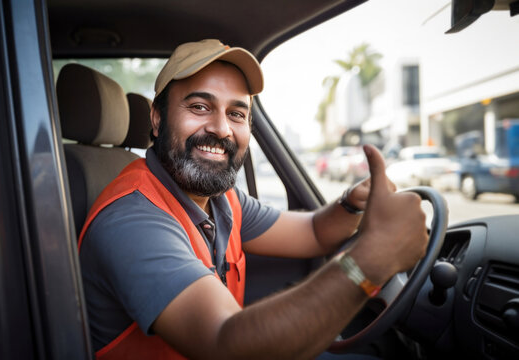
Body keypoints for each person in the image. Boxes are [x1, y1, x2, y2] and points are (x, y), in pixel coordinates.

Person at [79, 39, 428, 360]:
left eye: (236, 113)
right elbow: (225, 342)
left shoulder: (220, 199)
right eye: (200, 106)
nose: (221, 128)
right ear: (157, 119)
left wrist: (353, 203)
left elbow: (313, 232)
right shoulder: (131, 219)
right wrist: (373, 258)